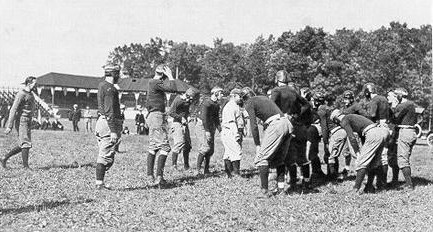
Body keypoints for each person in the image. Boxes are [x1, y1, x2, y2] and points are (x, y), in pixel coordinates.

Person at [241, 87, 292, 197]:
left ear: (244, 99)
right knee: (279, 160)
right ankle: (281, 189)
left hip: (276, 125)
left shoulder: (249, 102)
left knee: (262, 159)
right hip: (286, 123)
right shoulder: (263, 98)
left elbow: (253, 125)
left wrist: (257, 144)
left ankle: (264, 191)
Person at [270, 70, 313, 192]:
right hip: (297, 126)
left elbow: (270, 106)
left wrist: (282, 115)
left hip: (284, 127)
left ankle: (281, 188)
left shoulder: (276, 91)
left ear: (276, 79)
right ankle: (306, 183)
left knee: (281, 158)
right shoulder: (293, 90)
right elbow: (306, 105)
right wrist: (294, 115)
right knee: (301, 158)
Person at [330, 109, 389, 194]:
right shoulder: (353, 117)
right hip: (381, 132)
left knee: (362, 163)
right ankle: (371, 187)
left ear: (336, 119)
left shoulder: (344, 120)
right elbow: (362, 134)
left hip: (373, 134)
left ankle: (355, 189)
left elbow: (351, 137)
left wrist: (357, 152)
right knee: (373, 163)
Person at [145, 64, 180, 186]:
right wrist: (171, 75)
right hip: (157, 116)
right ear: (163, 75)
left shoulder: (151, 83)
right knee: (164, 147)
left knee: (153, 146)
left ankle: (150, 175)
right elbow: (173, 89)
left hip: (153, 115)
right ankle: (159, 176)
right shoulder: (155, 82)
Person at [94, 64, 123, 190]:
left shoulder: (102, 85)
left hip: (101, 122)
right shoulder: (110, 89)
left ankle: (100, 182)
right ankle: (99, 184)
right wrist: (113, 130)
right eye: (118, 73)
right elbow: (110, 111)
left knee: (105, 154)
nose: (119, 76)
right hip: (108, 123)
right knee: (106, 157)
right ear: (114, 74)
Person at [1, 76, 37, 169]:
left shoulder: (31, 94)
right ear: (29, 83)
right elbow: (13, 109)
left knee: (24, 144)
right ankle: (26, 166)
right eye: (34, 83)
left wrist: (33, 118)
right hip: (22, 121)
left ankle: (4, 158)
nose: (36, 85)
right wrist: (9, 126)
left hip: (28, 121)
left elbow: (31, 108)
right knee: (26, 143)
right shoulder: (21, 94)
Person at [363, 83, 391, 190]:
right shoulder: (383, 98)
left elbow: (372, 115)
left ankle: (370, 185)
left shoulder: (374, 100)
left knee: (374, 156)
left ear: (367, 92)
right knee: (384, 156)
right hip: (386, 127)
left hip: (378, 127)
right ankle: (382, 184)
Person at [391, 88, 418, 190]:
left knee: (402, 159)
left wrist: (393, 107)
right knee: (404, 158)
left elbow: (394, 119)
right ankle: (404, 182)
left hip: (405, 132)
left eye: (395, 95)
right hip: (411, 132)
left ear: (400, 96)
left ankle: (409, 184)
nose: (394, 97)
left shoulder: (402, 105)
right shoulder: (411, 104)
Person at [340, 90, 369, 178]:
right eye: (345, 98)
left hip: (354, 132)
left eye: (348, 98)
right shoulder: (345, 107)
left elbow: (365, 115)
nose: (345, 100)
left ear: (352, 98)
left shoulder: (356, 106)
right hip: (346, 131)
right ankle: (347, 168)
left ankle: (361, 173)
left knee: (356, 153)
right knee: (346, 152)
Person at [317, 93, 347, 181]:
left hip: (336, 132)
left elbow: (324, 128)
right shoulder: (327, 108)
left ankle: (332, 177)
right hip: (339, 131)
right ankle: (332, 175)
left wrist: (325, 141)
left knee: (330, 156)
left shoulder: (322, 110)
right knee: (332, 154)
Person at [195, 87, 223, 176]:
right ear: (215, 93)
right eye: (221, 93)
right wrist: (207, 131)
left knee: (210, 150)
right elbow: (204, 118)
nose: (222, 95)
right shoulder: (206, 103)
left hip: (210, 126)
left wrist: (220, 130)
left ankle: (206, 170)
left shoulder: (216, 104)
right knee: (205, 148)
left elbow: (216, 119)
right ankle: (198, 170)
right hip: (202, 126)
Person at [168, 87, 198, 170]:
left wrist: (188, 116)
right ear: (187, 95)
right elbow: (170, 112)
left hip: (185, 124)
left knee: (187, 145)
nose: (190, 101)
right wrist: (180, 118)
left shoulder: (187, 102)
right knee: (179, 143)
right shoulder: (178, 100)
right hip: (177, 123)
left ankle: (186, 165)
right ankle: (173, 165)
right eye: (190, 98)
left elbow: (186, 111)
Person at [221, 88, 245, 178]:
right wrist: (236, 134)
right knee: (236, 152)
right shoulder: (230, 106)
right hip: (230, 131)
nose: (241, 98)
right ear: (234, 96)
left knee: (228, 153)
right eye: (239, 96)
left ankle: (229, 174)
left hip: (229, 131)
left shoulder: (235, 105)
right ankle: (236, 174)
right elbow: (231, 122)